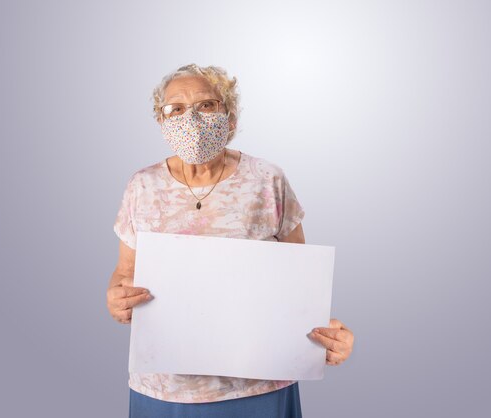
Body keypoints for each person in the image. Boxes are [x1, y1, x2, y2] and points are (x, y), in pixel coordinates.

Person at [107, 63, 355, 417]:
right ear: (162, 123)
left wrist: (328, 340)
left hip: (259, 388)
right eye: (175, 109)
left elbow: (300, 287)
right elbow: (123, 274)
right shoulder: (142, 186)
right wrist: (116, 299)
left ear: (231, 118)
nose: (189, 119)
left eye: (206, 105)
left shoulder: (267, 180)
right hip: (164, 389)